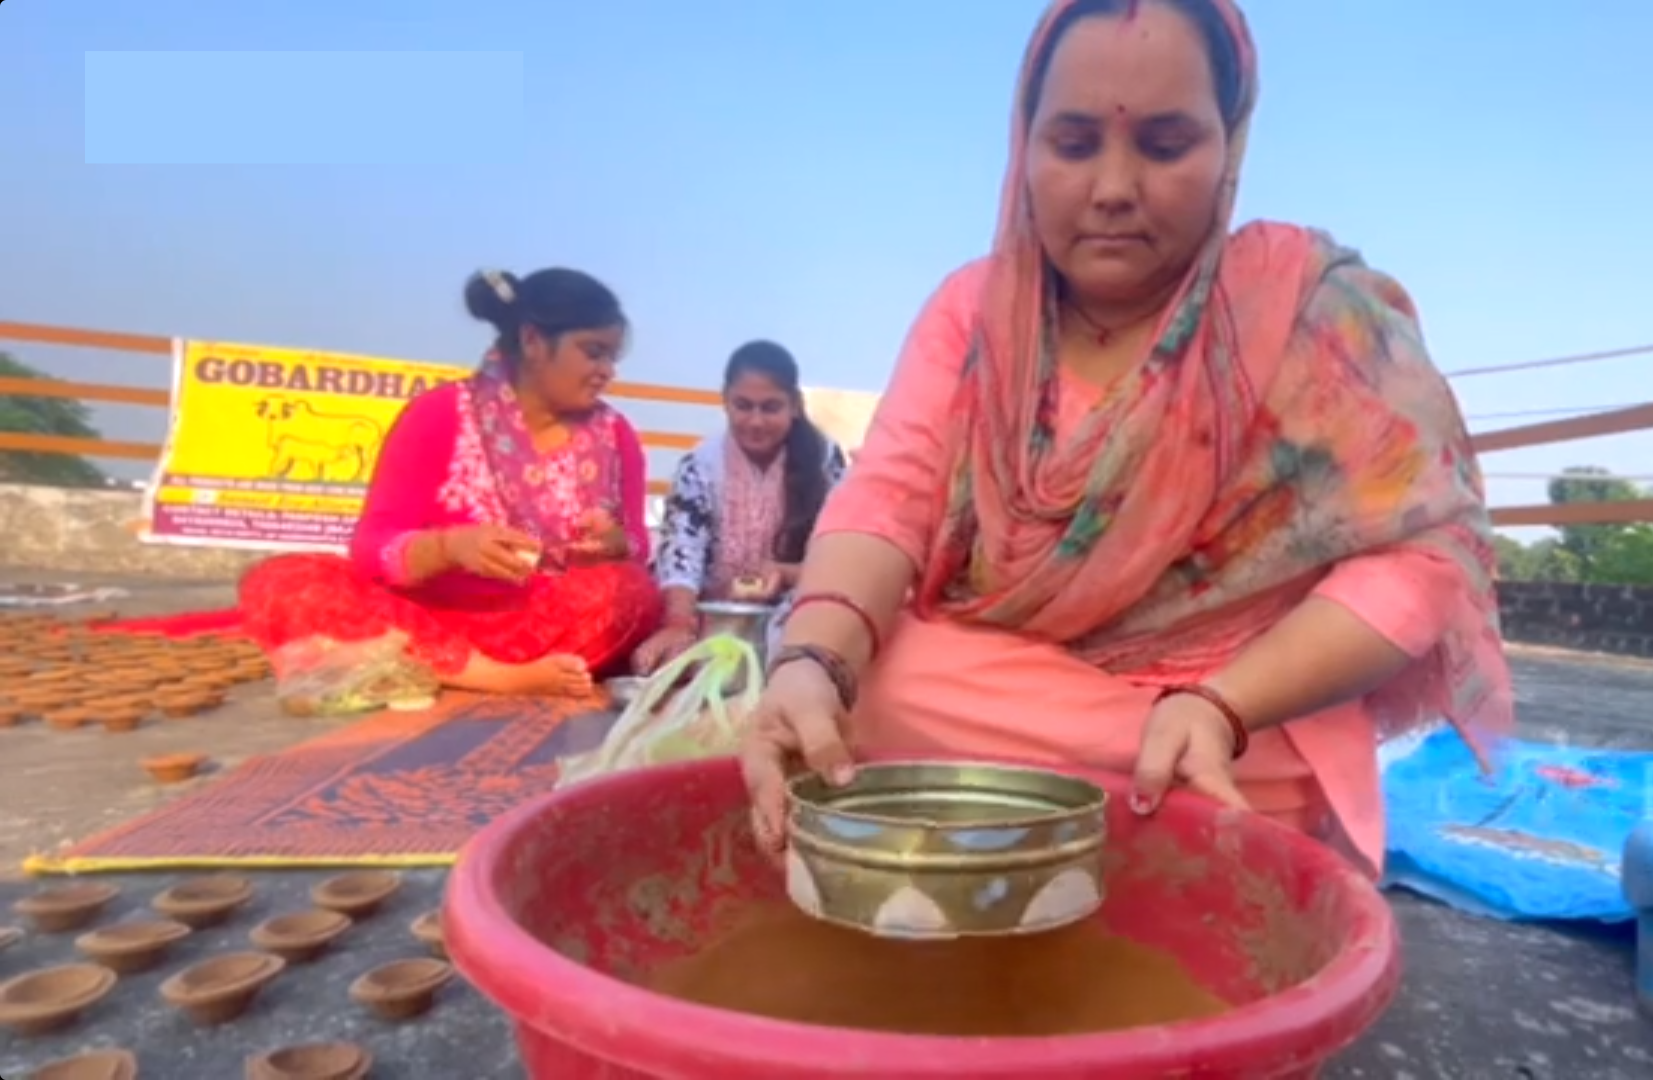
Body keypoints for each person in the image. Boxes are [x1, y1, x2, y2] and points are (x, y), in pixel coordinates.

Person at [740, 0, 1513, 876]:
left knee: (908, 706)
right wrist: (813, 661)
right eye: (1072, 145)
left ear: (1230, 144)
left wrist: (1221, 704)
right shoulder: (975, 311)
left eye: (1166, 144)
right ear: (1023, 146)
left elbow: (1423, 560)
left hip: (1233, 721)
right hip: (988, 690)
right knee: (860, 678)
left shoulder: (1310, 311)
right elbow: (889, 497)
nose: (1113, 187)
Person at [239, 268, 662, 698]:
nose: (606, 371)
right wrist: (450, 548)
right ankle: (492, 677)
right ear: (533, 341)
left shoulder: (616, 436)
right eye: (593, 353)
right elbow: (371, 545)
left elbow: (638, 550)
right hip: (423, 617)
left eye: (612, 358)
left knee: (632, 592)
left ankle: (433, 669)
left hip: (545, 620)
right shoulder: (438, 415)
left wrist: (616, 544)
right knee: (282, 580)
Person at [632, 340, 848, 672]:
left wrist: (784, 574)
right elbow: (681, 554)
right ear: (725, 402)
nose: (756, 421)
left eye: (770, 407)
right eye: (743, 406)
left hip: (793, 610)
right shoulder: (701, 464)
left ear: (794, 406)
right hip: (711, 614)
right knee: (662, 657)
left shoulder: (824, 460)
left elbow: (843, 557)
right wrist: (678, 623)